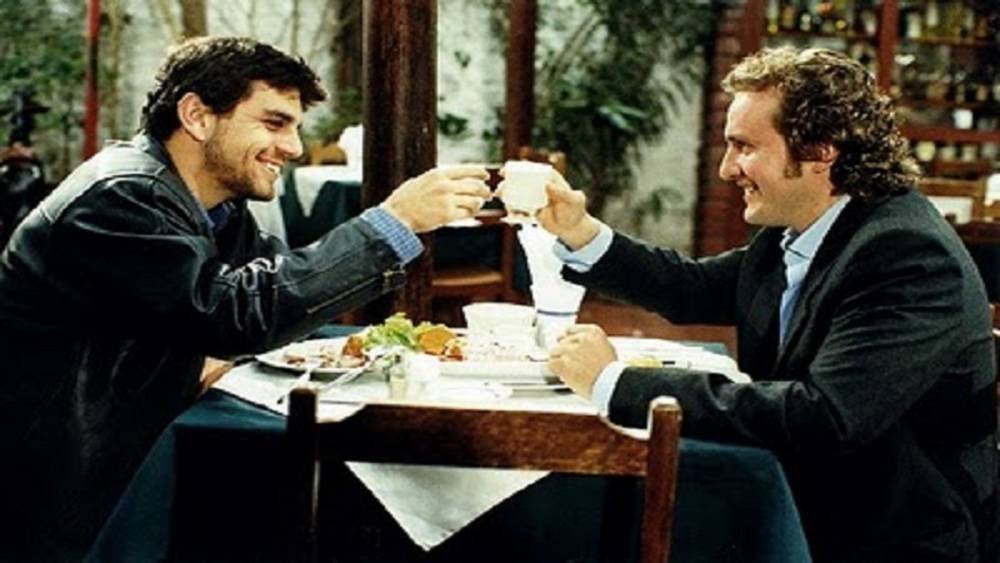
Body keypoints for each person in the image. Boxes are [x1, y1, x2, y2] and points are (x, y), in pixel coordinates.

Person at [0, 36, 490, 561]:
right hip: (64, 502)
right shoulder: (121, 196)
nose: (294, 148)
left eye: (295, 128)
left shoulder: (211, 205)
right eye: (274, 123)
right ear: (197, 116)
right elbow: (237, 312)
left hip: (131, 453)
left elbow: (268, 293)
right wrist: (393, 224)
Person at [540, 47, 997, 562]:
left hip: (892, 539)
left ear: (820, 151)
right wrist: (579, 231)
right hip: (812, 499)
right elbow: (692, 287)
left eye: (743, 147)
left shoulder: (906, 254)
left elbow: (823, 417)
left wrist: (616, 384)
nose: (726, 169)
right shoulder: (809, 229)